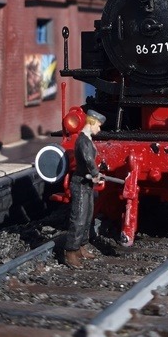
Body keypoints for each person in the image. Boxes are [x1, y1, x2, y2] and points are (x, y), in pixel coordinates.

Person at [64, 109, 105, 269]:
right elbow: (88, 160)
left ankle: (81, 246)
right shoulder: (83, 141)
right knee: (79, 218)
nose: (99, 129)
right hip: (80, 183)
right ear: (92, 122)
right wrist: (95, 173)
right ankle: (70, 252)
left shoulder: (88, 139)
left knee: (87, 216)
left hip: (87, 183)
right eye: (99, 126)